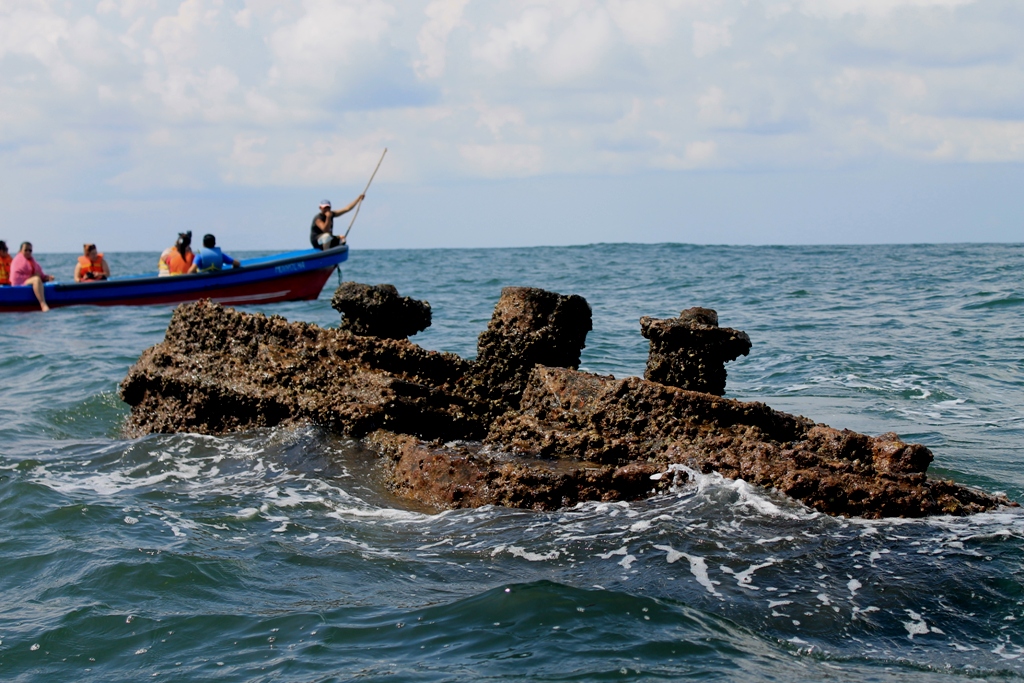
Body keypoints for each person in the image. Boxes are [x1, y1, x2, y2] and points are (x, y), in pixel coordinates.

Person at [10, 242, 53, 311]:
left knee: (37, 279)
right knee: (36, 279)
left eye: (30, 250)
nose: (28, 252)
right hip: (19, 283)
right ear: (21, 251)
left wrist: (46, 277)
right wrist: (34, 276)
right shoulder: (18, 261)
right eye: (26, 250)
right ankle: (43, 304)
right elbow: (16, 277)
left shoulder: (32, 261)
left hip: (28, 280)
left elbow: (39, 273)